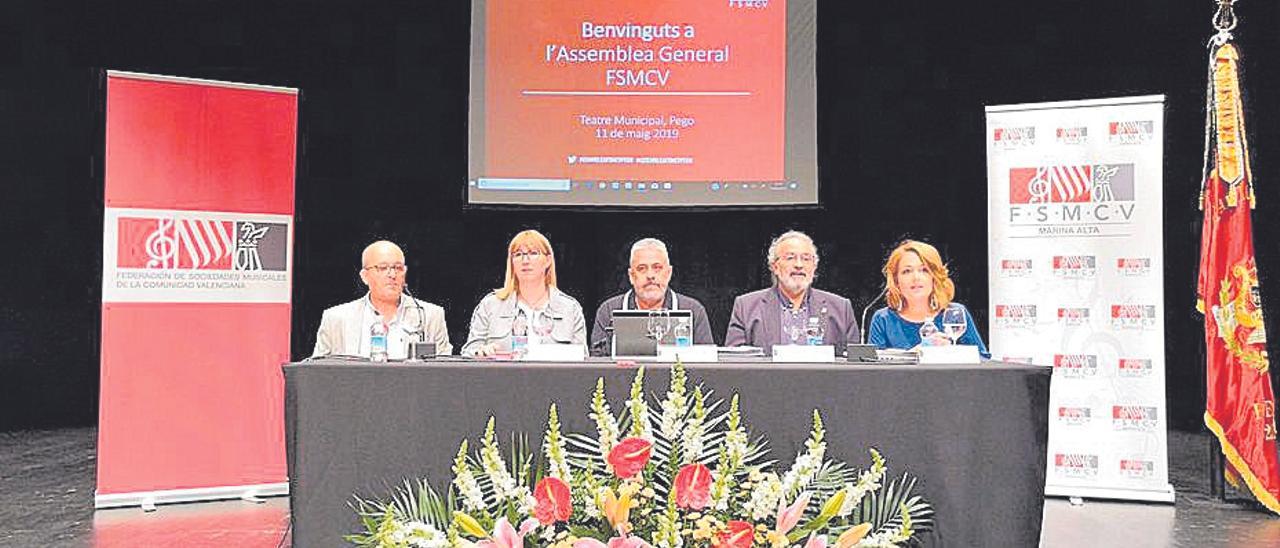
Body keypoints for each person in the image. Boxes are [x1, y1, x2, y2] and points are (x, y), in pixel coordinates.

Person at [312, 240, 452, 358]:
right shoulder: (336, 318)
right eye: (383, 268)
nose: (392, 274)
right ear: (364, 276)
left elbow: (444, 372)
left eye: (398, 268)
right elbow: (317, 372)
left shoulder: (430, 316)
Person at [725, 230, 859, 354]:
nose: (799, 265)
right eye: (790, 258)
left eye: (806, 259)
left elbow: (854, 365)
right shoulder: (746, 307)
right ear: (775, 267)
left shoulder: (840, 308)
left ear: (814, 267)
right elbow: (735, 363)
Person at [462, 229, 587, 357]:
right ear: (511, 262)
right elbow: (469, 353)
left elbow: (582, 363)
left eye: (533, 253)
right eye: (518, 254)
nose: (525, 260)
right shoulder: (490, 305)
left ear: (548, 261)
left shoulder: (570, 308)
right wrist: (481, 353)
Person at [589, 238, 715, 356]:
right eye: (642, 269)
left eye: (657, 268)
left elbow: (707, 366)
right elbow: (596, 367)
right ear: (631, 276)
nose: (650, 275)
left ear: (669, 273)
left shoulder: (693, 311)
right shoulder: (608, 311)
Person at [867, 240, 989, 357]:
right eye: (907, 271)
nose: (916, 277)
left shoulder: (954, 314)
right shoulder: (883, 319)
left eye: (924, 270)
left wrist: (952, 353)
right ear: (896, 280)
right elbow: (873, 370)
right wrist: (918, 352)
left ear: (934, 277)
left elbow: (983, 360)